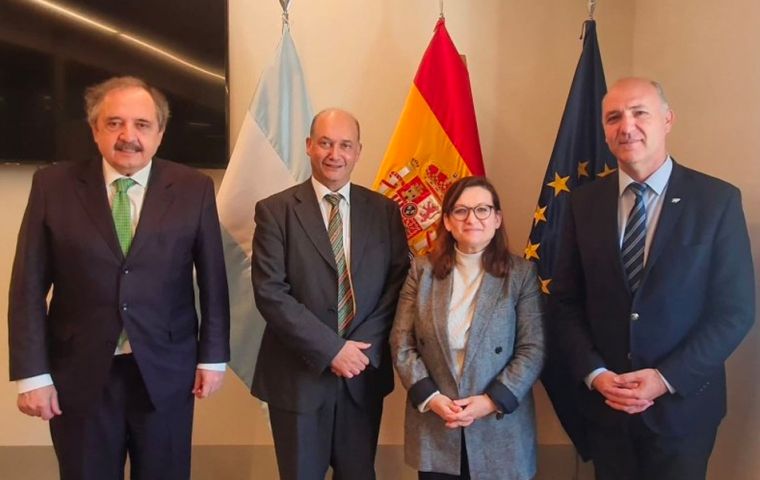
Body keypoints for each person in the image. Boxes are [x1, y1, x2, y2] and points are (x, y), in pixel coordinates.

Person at [8, 76, 230, 480]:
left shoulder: (194, 188)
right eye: (114, 123)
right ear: (94, 130)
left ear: (160, 133)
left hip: (166, 371)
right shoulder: (52, 186)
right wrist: (32, 375)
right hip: (79, 373)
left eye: (142, 124)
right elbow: (26, 287)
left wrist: (213, 357)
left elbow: (214, 279)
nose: (129, 136)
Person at [550, 77, 755, 480]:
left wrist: (665, 379)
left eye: (639, 112)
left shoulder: (716, 201)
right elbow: (564, 303)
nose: (626, 126)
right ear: (606, 132)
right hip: (607, 410)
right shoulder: (582, 203)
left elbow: (735, 311)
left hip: (683, 412)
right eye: (614, 117)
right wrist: (596, 374)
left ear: (667, 119)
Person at [251, 108, 410, 479]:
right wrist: (332, 350)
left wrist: (359, 351)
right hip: (297, 376)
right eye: (324, 143)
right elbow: (270, 292)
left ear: (358, 151)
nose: (334, 154)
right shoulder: (275, 211)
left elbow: (398, 285)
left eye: (344, 145)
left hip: (362, 376)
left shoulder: (384, 212)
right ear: (309, 146)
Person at [391, 176, 545, 480]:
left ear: (497, 218)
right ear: (447, 221)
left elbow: (533, 348)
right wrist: (432, 398)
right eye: (460, 211)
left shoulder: (521, 274)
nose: (472, 218)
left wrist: (490, 402)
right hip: (438, 421)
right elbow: (401, 341)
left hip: (499, 424)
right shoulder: (421, 271)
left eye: (483, 210)